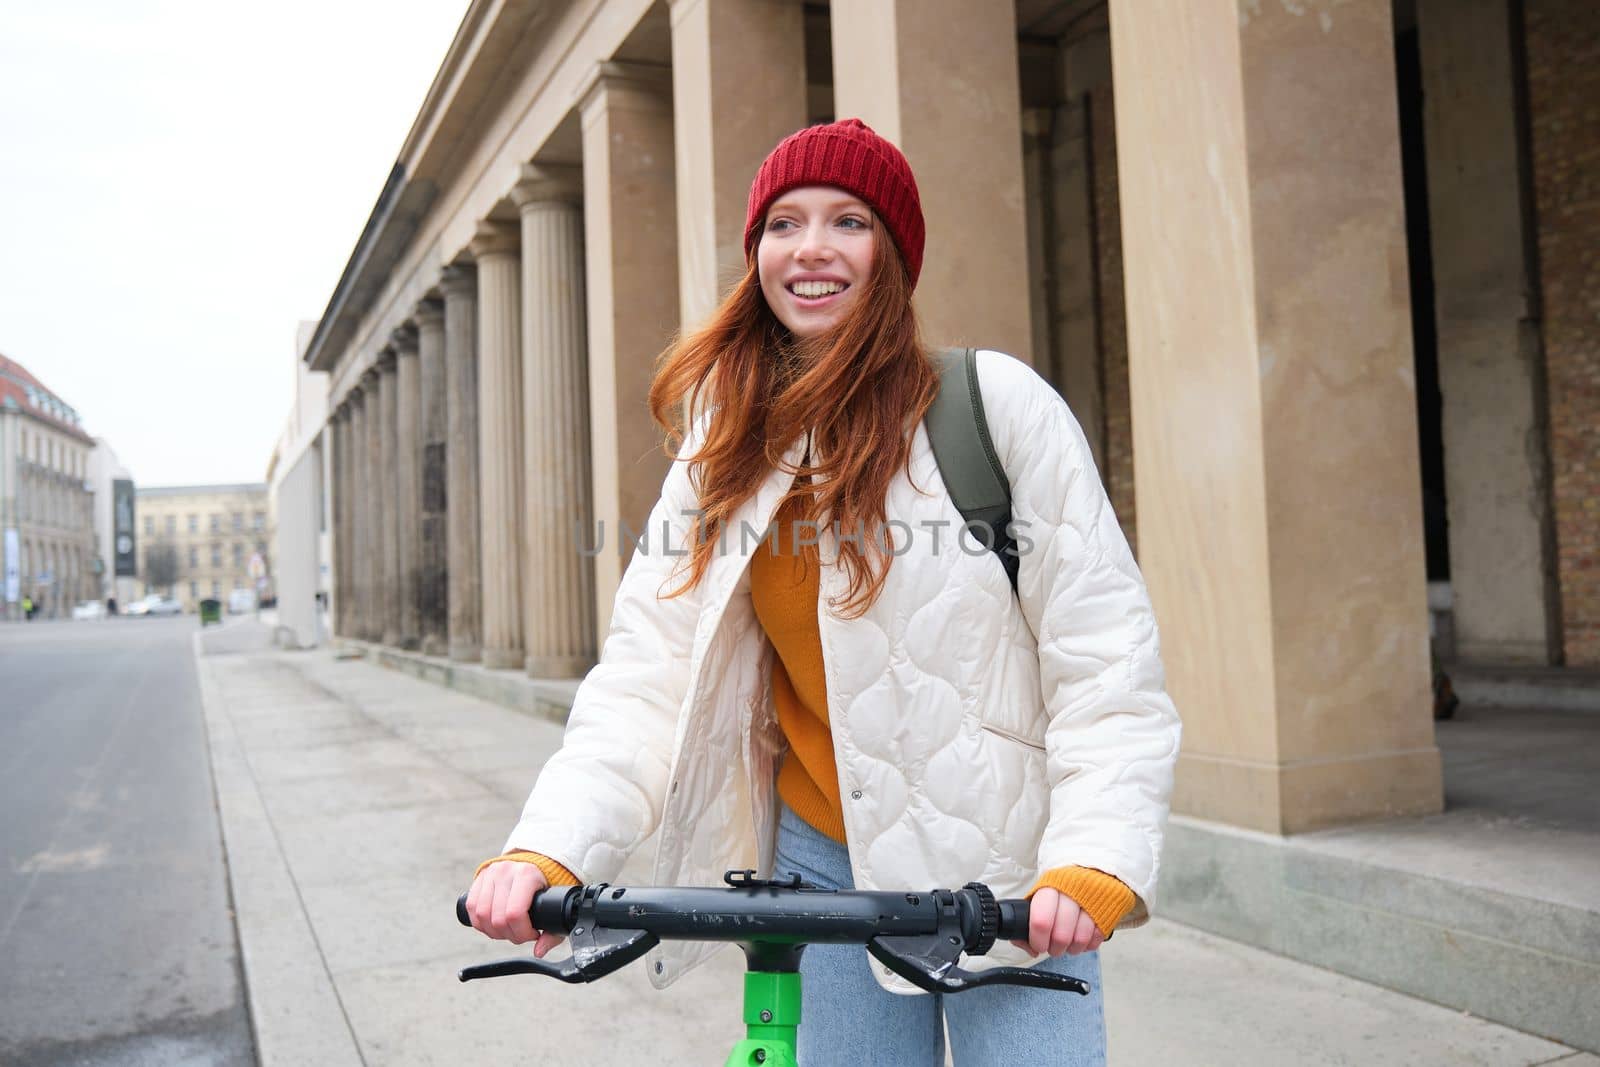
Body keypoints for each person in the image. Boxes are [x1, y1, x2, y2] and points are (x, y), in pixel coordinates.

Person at [466, 118, 1181, 1065]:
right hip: (821, 871)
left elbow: (1105, 661)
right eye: (784, 223)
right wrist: (547, 848)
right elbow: (648, 677)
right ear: (756, 250)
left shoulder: (993, 407)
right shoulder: (723, 447)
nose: (811, 248)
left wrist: (1092, 860)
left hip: (1003, 872)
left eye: (849, 220)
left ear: (893, 253)